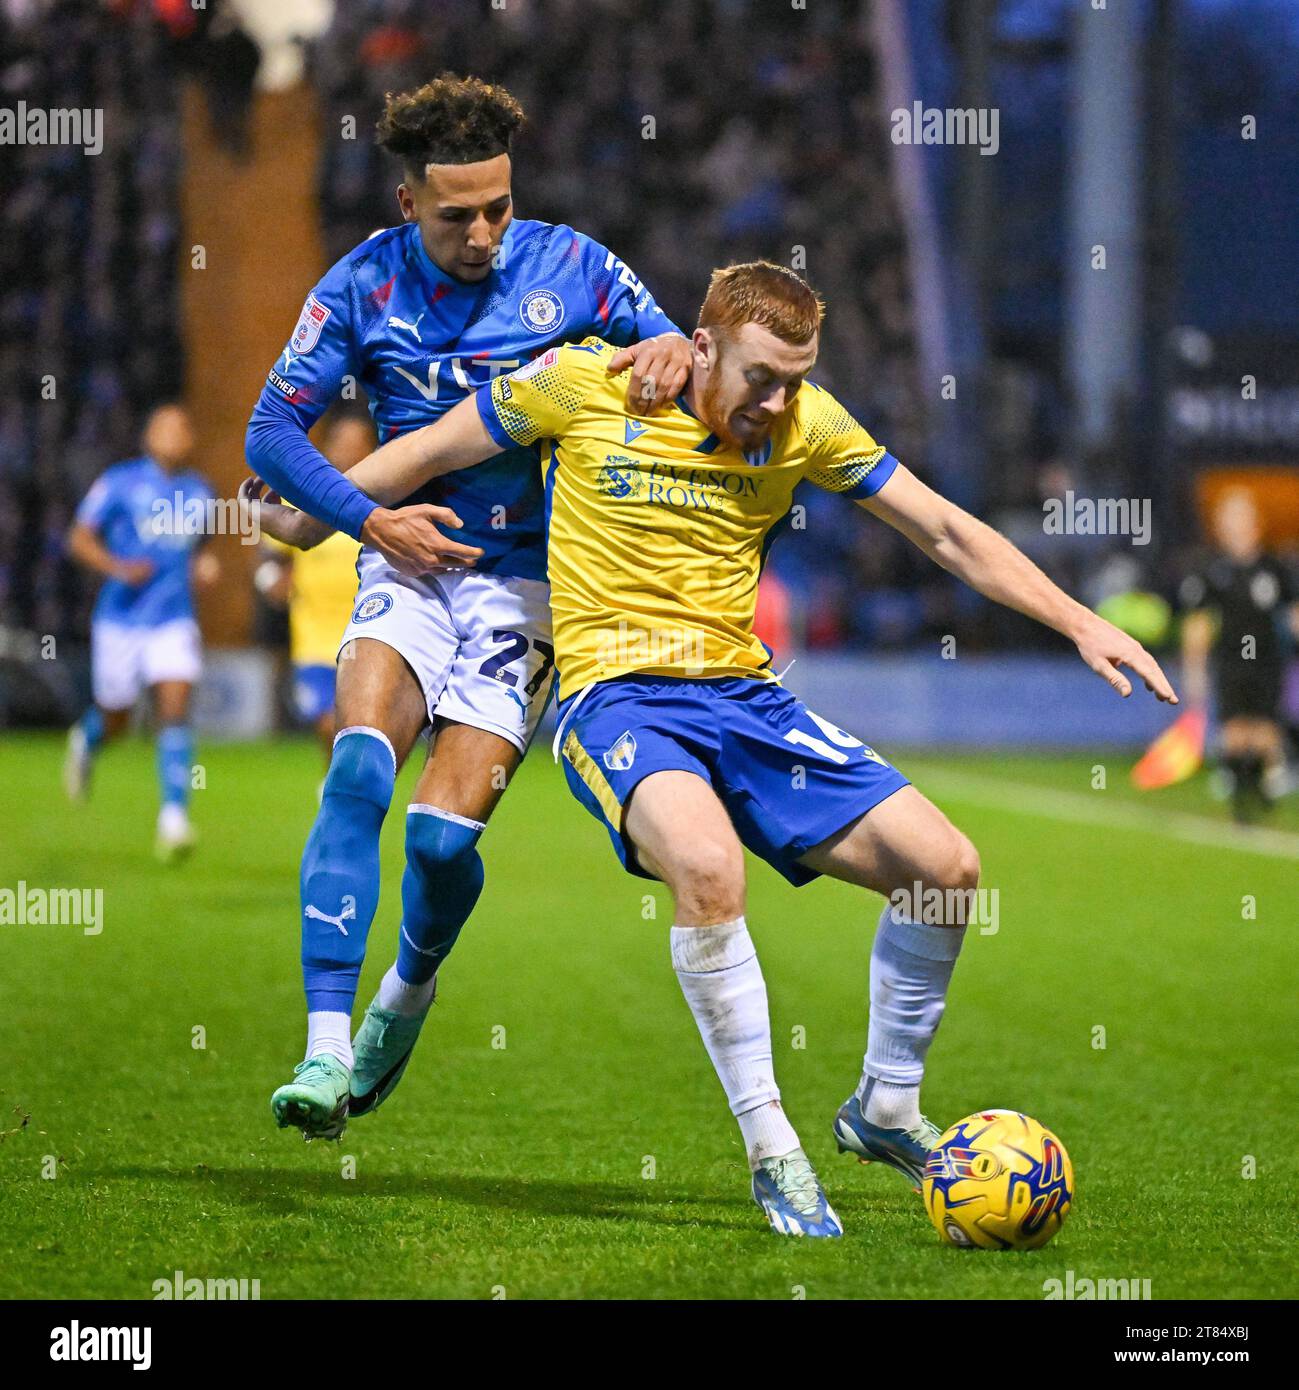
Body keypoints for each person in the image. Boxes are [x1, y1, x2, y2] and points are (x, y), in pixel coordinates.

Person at [252, 261, 1177, 1235]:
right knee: (707, 866)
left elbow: (943, 530)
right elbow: (428, 448)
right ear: (700, 349)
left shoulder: (809, 424)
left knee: (946, 869)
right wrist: (308, 515)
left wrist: (1080, 622)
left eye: (796, 378)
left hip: (744, 695)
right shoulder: (582, 386)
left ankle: (886, 1106)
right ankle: (774, 1150)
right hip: (614, 699)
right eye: (762, 377)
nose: (778, 402)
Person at [243, 73, 693, 1140]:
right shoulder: (359, 287)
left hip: (530, 585)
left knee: (442, 847)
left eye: (498, 205)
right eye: (458, 214)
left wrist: (677, 344)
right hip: (406, 563)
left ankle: (405, 994)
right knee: (359, 765)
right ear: (409, 205)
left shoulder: (573, 264)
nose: (486, 230)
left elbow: (673, 345)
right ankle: (321, 1045)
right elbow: (270, 433)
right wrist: (368, 520)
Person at [64, 403, 218, 861]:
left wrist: (203, 564)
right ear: (148, 435)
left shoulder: (201, 492)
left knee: (174, 705)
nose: (176, 434)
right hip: (120, 618)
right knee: (119, 716)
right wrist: (115, 566)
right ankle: (87, 738)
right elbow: (78, 537)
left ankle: (174, 817)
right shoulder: (120, 481)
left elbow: (199, 549)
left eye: (183, 426)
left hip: (173, 617)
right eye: (166, 426)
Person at [257, 410, 370, 764]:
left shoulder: (386, 501)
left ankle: (340, 788)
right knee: (327, 722)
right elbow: (267, 560)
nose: (349, 450)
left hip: (368, 632)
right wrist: (271, 581)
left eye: (358, 444)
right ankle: (333, 780)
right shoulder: (301, 498)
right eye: (341, 442)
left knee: (360, 723)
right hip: (314, 637)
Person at [1179, 488, 1299, 822]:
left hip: (1266, 661)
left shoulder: (1275, 568)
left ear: (1255, 524)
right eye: (1229, 520)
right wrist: (1194, 670)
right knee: (1233, 730)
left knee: (1264, 729)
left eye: (1241, 519)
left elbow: (1293, 615)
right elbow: (1198, 626)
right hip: (1231, 660)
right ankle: (1239, 789)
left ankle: (1264, 785)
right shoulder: (1211, 572)